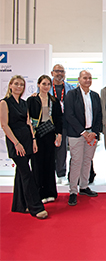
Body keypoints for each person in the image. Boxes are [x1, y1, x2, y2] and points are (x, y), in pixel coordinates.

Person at [0, 75, 48, 219]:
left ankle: (19, 205)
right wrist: (16, 143)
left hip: (27, 139)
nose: (19, 87)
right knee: (27, 174)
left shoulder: (23, 102)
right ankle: (36, 207)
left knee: (21, 174)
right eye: (16, 84)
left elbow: (28, 122)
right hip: (16, 141)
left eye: (21, 84)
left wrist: (33, 140)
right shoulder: (4, 103)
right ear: (10, 85)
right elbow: (4, 125)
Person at [64, 70, 102, 206]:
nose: (88, 80)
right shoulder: (71, 94)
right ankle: (73, 191)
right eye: (85, 78)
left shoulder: (95, 96)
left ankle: (84, 187)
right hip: (76, 134)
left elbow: (99, 116)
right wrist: (83, 132)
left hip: (91, 134)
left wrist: (94, 133)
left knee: (87, 161)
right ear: (79, 79)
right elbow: (69, 115)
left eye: (90, 78)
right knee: (76, 162)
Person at [28, 75, 63, 204]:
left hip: (50, 135)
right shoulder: (32, 100)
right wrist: (32, 138)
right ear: (38, 85)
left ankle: (50, 192)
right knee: (37, 164)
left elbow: (59, 119)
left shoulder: (54, 101)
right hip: (36, 136)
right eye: (43, 84)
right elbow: (28, 120)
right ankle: (39, 193)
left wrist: (59, 134)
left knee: (49, 164)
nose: (46, 86)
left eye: (48, 84)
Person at [50, 64, 74, 184]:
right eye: (57, 71)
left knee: (62, 149)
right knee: (49, 149)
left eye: (62, 71)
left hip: (64, 122)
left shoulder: (70, 88)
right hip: (49, 123)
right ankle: (49, 174)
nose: (59, 73)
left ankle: (61, 174)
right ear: (52, 73)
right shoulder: (46, 86)